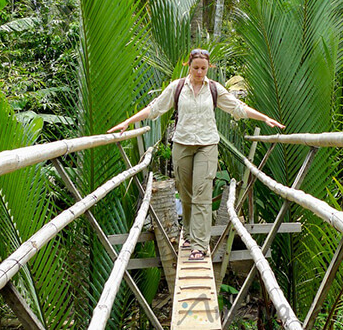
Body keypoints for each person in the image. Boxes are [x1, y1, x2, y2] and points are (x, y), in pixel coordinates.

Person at [108, 49, 285, 261]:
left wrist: (263, 117)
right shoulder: (178, 88)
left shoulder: (214, 90)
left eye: (203, 68)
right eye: (196, 68)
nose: (199, 72)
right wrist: (128, 122)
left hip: (207, 145)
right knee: (185, 191)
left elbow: (238, 108)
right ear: (188, 66)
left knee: (202, 191)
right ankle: (190, 234)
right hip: (182, 144)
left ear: (208, 67)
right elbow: (154, 108)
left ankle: (199, 245)